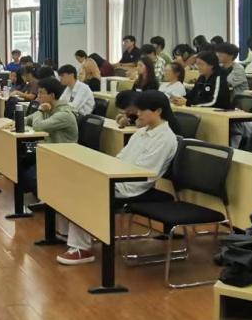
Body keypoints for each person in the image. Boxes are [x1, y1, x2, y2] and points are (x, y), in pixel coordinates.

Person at [56, 91, 179, 265]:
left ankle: (81, 248)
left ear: (158, 111)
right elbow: (121, 158)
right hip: (119, 177)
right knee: (70, 181)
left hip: (132, 186)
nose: (137, 114)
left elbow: (144, 173)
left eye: (142, 110)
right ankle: (67, 235)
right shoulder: (142, 132)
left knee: (84, 192)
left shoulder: (165, 139)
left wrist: (109, 175)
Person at [17, 78, 78, 199]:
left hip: (62, 154)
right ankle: (34, 192)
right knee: (20, 157)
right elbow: (27, 119)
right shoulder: (48, 107)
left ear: (52, 95)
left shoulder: (64, 114)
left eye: (41, 93)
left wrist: (40, 110)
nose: (38, 96)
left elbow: (38, 126)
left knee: (28, 170)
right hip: (46, 149)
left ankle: (46, 196)